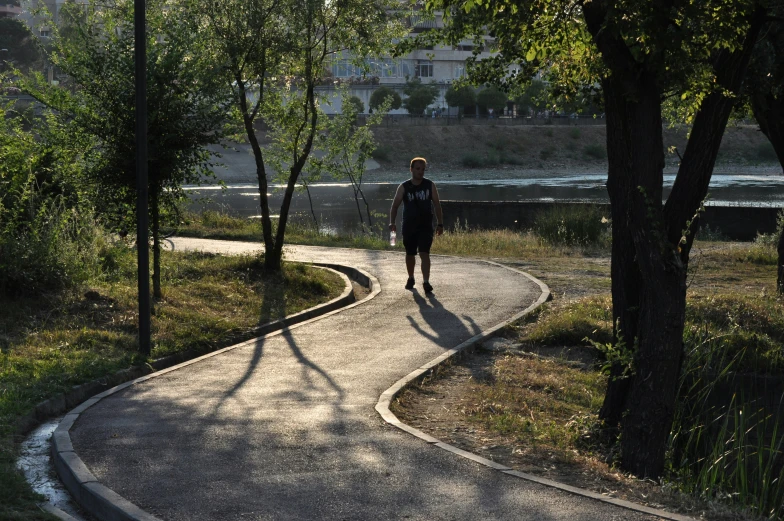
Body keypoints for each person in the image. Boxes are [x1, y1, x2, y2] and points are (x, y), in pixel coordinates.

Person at [389, 157, 444, 293]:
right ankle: (411, 277)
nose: (421, 172)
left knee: (424, 253)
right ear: (411, 169)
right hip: (409, 226)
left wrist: (440, 223)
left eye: (423, 169)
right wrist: (392, 222)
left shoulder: (430, 185)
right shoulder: (404, 187)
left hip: (425, 226)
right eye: (418, 169)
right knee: (410, 254)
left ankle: (426, 282)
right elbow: (395, 206)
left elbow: (437, 205)